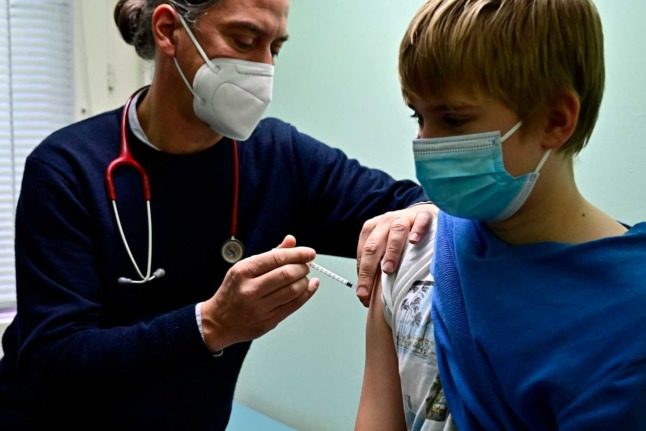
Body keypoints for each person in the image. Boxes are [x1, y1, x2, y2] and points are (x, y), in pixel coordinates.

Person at [0, 0, 435, 428]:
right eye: (245, 40)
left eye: (275, 48)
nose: (264, 68)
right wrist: (210, 325)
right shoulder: (68, 169)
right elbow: (53, 361)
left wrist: (415, 215)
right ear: (168, 31)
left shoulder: (278, 157)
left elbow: (411, 205)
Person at [356, 0, 646, 430]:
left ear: (555, 120)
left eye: (453, 119)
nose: (426, 144)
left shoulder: (630, 317)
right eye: (419, 116)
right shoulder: (412, 252)